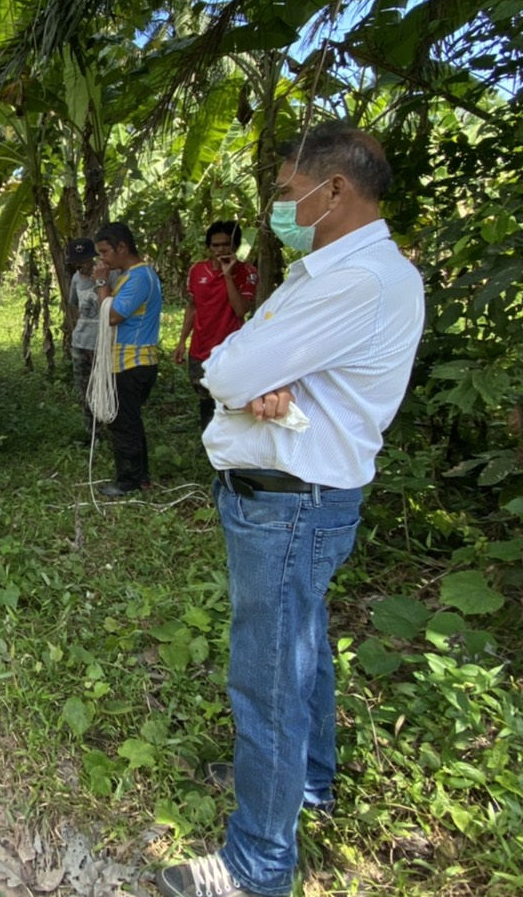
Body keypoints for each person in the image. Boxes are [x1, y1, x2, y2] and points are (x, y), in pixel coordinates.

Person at [156, 124, 425, 897]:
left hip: (290, 506)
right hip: (301, 499)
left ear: (332, 189)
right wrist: (264, 379)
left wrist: (250, 376)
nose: (278, 206)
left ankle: (258, 864)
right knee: (299, 648)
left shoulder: (358, 279)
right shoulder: (340, 270)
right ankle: (305, 780)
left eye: (284, 191)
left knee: (267, 678)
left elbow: (229, 361)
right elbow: (256, 364)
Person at [90, 222, 162, 497]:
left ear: (122, 247)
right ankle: (140, 477)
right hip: (129, 361)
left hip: (132, 362)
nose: (102, 259)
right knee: (130, 420)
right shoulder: (132, 275)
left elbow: (113, 316)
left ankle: (127, 481)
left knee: (122, 422)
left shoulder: (138, 278)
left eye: (105, 252)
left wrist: (100, 283)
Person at [174, 221, 259, 431]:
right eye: (215, 245)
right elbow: (193, 308)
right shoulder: (197, 270)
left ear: (236, 245)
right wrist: (182, 341)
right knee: (205, 400)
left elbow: (240, 310)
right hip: (200, 348)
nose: (220, 250)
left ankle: (230, 448)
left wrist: (228, 275)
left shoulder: (247, 273)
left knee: (230, 400)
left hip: (230, 349)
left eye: (225, 245)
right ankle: (209, 445)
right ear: (209, 247)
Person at [64, 237, 104, 437]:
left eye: (86, 260)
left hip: (102, 343)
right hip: (81, 341)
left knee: (103, 388)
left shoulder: (108, 274)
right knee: (84, 390)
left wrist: (100, 280)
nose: (82, 265)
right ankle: (91, 433)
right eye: (78, 262)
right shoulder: (76, 279)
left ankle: (107, 430)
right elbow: (74, 306)